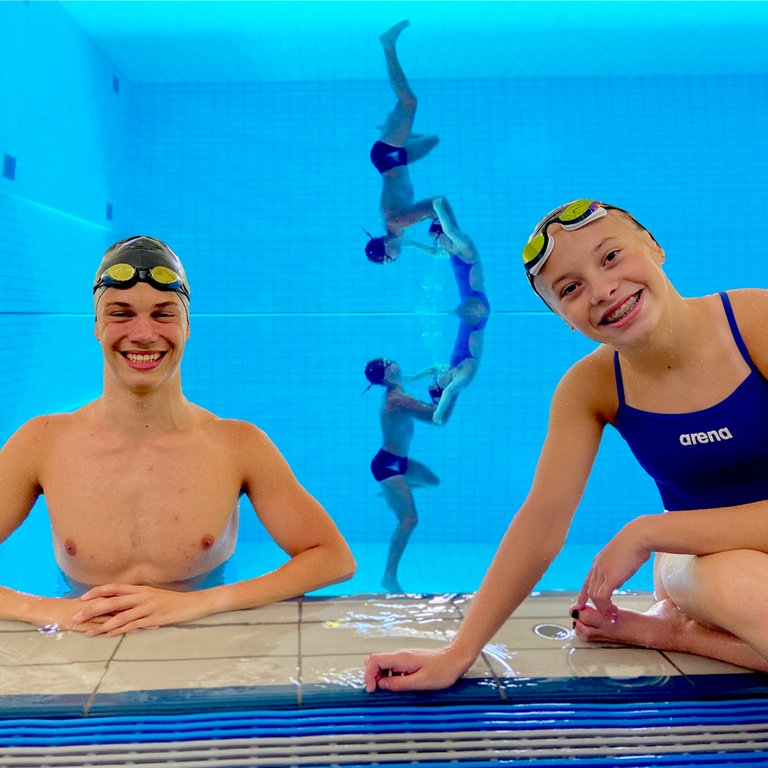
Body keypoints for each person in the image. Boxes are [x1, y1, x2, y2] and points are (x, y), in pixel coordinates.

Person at [365, 198, 768, 692]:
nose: (602, 290)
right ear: (566, 320)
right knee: (738, 584)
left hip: (694, 546)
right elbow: (543, 519)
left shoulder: (755, 323)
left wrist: (647, 531)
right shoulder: (591, 387)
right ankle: (686, 623)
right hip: (703, 569)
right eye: (570, 289)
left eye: (611, 256)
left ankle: (674, 632)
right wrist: (458, 652)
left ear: (656, 248)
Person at [0, 235, 355, 636]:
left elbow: (332, 557)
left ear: (187, 325)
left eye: (163, 314)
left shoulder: (237, 445)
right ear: (96, 325)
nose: (143, 334)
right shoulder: (43, 443)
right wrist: (48, 611)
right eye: (121, 313)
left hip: (205, 635)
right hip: (84, 638)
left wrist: (197, 604)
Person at [364, 358, 457, 592]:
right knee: (409, 520)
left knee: (432, 481)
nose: (393, 362)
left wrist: (435, 373)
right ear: (386, 376)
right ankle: (389, 576)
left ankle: (394, 492)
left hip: (399, 463)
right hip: (388, 466)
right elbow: (439, 418)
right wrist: (451, 390)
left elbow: (414, 375)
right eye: (388, 364)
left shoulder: (396, 388)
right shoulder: (398, 400)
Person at [365, 20, 440, 265]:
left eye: (389, 259)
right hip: (397, 160)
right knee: (431, 140)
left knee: (409, 102)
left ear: (386, 247)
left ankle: (387, 45)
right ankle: (393, 128)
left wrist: (440, 225)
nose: (394, 259)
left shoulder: (396, 223)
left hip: (388, 156)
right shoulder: (399, 227)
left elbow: (433, 205)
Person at [413, 197, 490, 424]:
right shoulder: (462, 376)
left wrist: (436, 412)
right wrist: (437, 207)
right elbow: (447, 392)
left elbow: (435, 376)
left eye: (438, 242)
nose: (438, 375)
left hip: (473, 309)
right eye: (438, 379)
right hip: (474, 310)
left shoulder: (462, 246)